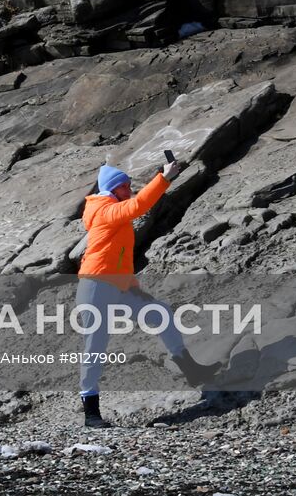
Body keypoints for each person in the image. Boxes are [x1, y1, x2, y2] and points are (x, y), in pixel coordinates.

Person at [76, 160, 221, 428]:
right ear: (112, 189)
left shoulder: (112, 211)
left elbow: (118, 258)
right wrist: (164, 178)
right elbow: (139, 205)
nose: (130, 190)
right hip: (95, 287)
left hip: (116, 287)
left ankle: (190, 369)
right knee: (95, 348)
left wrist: (133, 287)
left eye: (131, 186)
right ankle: (91, 412)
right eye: (126, 186)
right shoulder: (104, 210)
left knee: (160, 313)